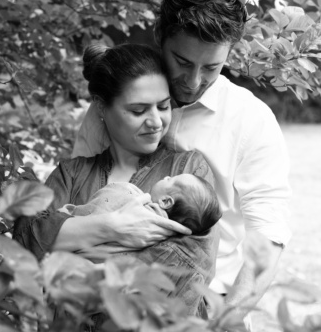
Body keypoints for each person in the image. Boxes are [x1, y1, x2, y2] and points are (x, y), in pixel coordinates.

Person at [72, 0, 292, 323]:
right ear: (160, 35)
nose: (192, 81)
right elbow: (79, 191)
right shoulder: (112, 105)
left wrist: (227, 321)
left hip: (205, 306)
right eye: (182, 61)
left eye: (211, 68)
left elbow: (269, 233)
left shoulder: (251, 120)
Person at [14, 43, 219, 317]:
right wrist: (114, 226)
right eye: (138, 111)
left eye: (163, 106)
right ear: (101, 107)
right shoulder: (72, 173)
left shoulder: (187, 169)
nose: (156, 122)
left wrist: (71, 239)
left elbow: (192, 265)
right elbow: (27, 239)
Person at [58, 174, 221, 238]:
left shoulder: (131, 198)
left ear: (165, 202)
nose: (167, 176)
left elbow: (105, 201)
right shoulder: (163, 238)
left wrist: (69, 213)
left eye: (171, 180)